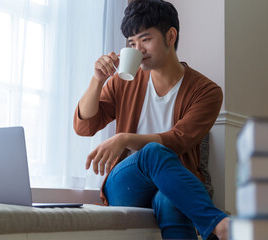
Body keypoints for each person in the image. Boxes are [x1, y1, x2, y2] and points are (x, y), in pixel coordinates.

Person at [73, 0, 229, 239]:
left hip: (175, 184)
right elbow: (84, 126)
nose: (138, 50)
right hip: (126, 185)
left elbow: (179, 141)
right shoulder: (123, 82)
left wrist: (124, 138)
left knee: (170, 200)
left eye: (145, 40)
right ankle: (219, 225)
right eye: (132, 43)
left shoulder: (206, 91)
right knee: (152, 152)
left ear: (171, 36)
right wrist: (97, 80)